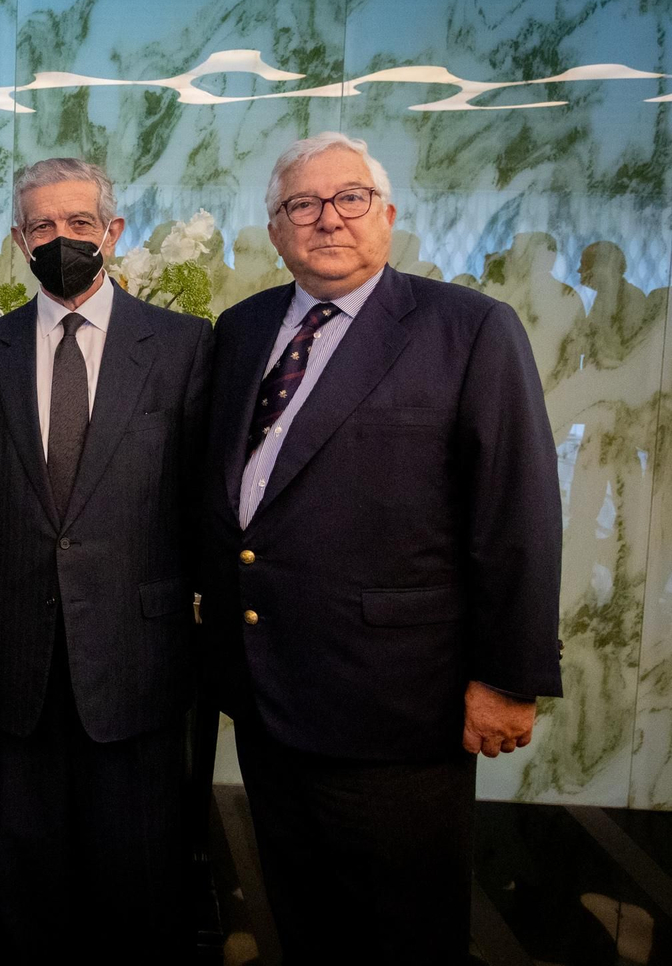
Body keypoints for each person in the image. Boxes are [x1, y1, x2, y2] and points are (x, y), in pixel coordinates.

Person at [199, 132, 563, 963]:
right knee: (302, 917)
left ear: (388, 214)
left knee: (402, 932)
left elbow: (518, 513)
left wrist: (509, 676)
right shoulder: (243, 328)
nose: (326, 218)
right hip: (265, 694)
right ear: (276, 227)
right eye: (302, 204)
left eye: (348, 198)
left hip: (398, 705)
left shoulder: (468, 328)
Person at [0, 157, 212, 961]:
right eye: (43, 226)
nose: (62, 239)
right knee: (22, 878)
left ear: (114, 232)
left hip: (136, 650)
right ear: (19, 239)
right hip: (16, 646)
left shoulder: (182, 346)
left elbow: (197, 493)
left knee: (136, 879)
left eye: (80, 224)